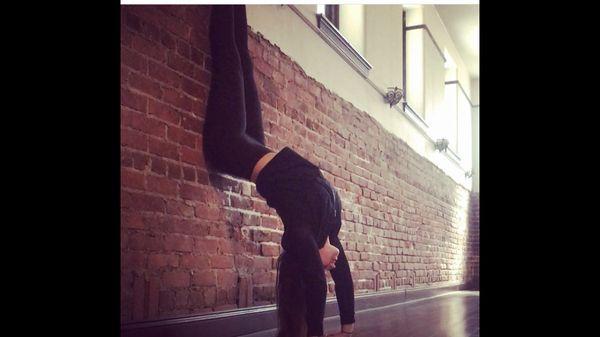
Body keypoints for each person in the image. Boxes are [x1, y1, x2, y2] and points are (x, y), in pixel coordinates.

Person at [202, 5, 355, 337]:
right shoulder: (330, 226)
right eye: (332, 266)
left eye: (324, 267)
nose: (333, 267)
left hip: (226, 146)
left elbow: (316, 281)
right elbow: (341, 276)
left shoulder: (300, 235)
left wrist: (315, 333)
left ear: (308, 261)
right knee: (242, 59)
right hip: (255, 148)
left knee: (229, 58)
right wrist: (348, 328)